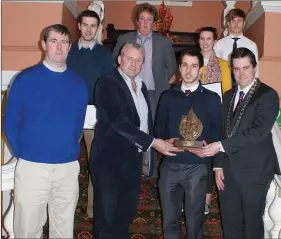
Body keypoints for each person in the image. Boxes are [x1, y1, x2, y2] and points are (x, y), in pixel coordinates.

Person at [4, 24, 88, 238]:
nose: (59, 47)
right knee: (27, 230)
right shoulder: (25, 80)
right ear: (43, 45)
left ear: (70, 46)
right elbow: (10, 124)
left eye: (64, 42)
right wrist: (27, 154)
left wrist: (68, 150)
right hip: (33, 167)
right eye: (53, 41)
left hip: (67, 169)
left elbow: (77, 124)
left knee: (63, 231)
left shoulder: (79, 85)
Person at [91, 43, 181, 239]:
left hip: (133, 161)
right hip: (109, 162)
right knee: (106, 218)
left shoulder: (140, 85)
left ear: (143, 64)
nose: (133, 64)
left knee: (125, 215)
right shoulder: (107, 83)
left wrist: (162, 139)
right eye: (129, 59)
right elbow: (119, 122)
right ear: (119, 59)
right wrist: (154, 142)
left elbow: (144, 122)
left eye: (138, 60)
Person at [190, 47, 280, 239]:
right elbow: (223, 131)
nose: (241, 73)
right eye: (236, 69)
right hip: (228, 171)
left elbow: (258, 132)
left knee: (251, 226)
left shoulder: (268, 95)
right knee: (230, 224)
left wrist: (219, 147)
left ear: (255, 68)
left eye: (245, 68)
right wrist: (218, 165)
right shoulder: (229, 95)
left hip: (254, 172)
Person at [155, 49, 223, 239]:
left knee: (194, 223)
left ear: (200, 69)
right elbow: (158, 129)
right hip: (170, 164)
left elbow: (218, 136)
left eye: (194, 66)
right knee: (169, 221)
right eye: (184, 65)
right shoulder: (167, 96)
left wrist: (213, 160)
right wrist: (164, 140)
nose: (188, 70)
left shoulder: (212, 99)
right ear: (179, 67)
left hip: (197, 166)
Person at [112, 2, 177, 183]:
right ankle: (130, 165)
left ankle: (151, 170)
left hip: (155, 94)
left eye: (149, 20)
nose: (145, 23)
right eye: (142, 19)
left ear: (154, 23)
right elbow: (114, 64)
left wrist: (163, 84)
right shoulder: (125, 39)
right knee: (131, 127)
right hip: (130, 91)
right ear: (136, 21)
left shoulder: (163, 43)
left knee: (154, 130)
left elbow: (172, 68)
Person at [67, 9, 114, 219]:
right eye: (85, 25)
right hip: (69, 116)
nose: (88, 29)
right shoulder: (68, 52)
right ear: (78, 26)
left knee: (96, 163)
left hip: (94, 116)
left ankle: (92, 210)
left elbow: (108, 86)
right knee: (66, 163)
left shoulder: (105, 55)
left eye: (93, 26)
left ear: (98, 28)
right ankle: (65, 206)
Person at [198, 26, 232, 214]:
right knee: (197, 152)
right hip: (196, 113)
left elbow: (226, 92)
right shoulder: (192, 61)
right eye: (202, 39)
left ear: (214, 41)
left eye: (209, 38)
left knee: (212, 155)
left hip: (216, 113)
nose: (205, 42)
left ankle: (206, 199)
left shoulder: (223, 64)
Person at [214, 8, 259, 81]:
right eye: (233, 21)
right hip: (224, 83)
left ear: (244, 23)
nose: (236, 24)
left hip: (245, 82)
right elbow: (215, 68)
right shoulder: (219, 45)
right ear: (228, 23)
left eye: (239, 21)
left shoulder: (251, 45)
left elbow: (256, 70)